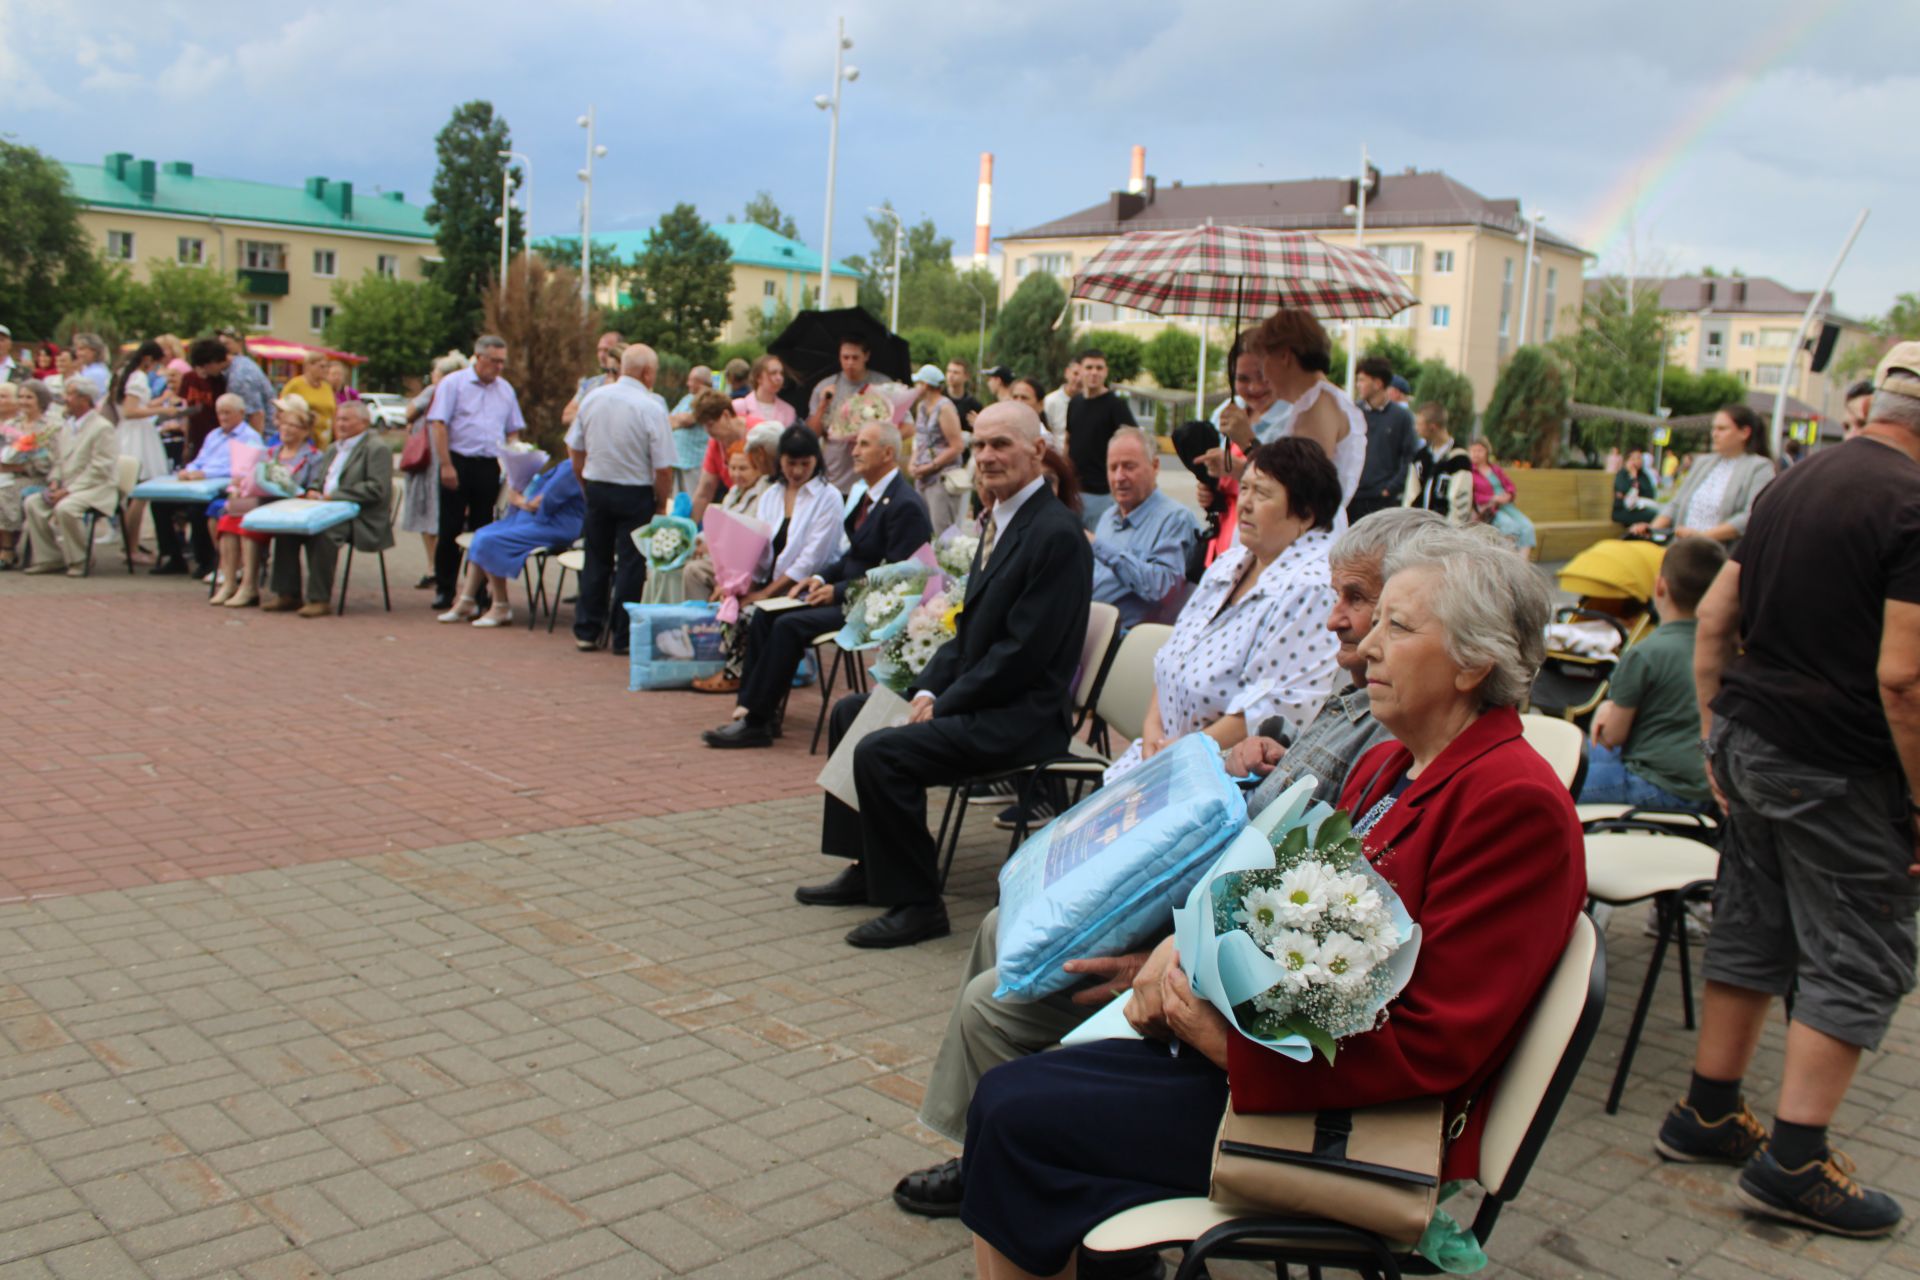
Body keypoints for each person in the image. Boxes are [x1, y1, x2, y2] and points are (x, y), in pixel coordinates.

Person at [960, 524, 1582, 1280]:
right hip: (1271, 1068)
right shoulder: (1392, 763)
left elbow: (1437, 1044)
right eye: (1374, 618)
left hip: (1348, 1114)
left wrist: (1222, 1041)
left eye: (1398, 625)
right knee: (1007, 1099)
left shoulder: (1512, 803)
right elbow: (1273, 913)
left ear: (1474, 663)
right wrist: (1190, 968)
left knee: (1022, 1122)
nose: (1367, 644)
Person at [891, 508, 1435, 1226]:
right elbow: (1294, 796)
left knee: (995, 1003)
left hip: (1227, 965)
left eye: (1361, 603)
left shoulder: (1401, 729)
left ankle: (1012, 1162)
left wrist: (1164, 959)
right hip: (1212, 902)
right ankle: (988, 1156)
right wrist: (1252, 754)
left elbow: (1331, 919)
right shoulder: (1364, 693)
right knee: (1001, 926)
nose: (1335, 620)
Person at [1654, 344, 1920, 1239]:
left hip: (1751, 738)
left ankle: (1709, 1110)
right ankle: (1797, 1160)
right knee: (1860, 945)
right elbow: (1903, 680)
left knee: (1753, 923)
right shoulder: (1914, 506)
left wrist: (1713, 728)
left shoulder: (1795, 483)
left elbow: (1716, 619)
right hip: (1840, 763)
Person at [800, 403, 1092, 951]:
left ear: (1037, 450)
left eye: (1001, 444)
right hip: (989, 698)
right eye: (979, 445)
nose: (986, 456)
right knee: (848, 713)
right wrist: (931, 686)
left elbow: (1022, 653)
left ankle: (918, 904)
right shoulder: (1003, 520)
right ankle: (869, 866)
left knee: (883, 754)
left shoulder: (1055, 534)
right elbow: (969, 631)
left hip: (1022, 717)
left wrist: (949, 701)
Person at [1103, 437, 1342, 782]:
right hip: (1161, 757)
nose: (1244, 504)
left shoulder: (1311, 588)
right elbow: (1174, 653)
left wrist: (1174, 754)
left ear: (1306, 513)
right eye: (1244, 489)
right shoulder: (1230, 563)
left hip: (1220, 778)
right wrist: (1152, 731)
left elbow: (1272, 708)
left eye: (1262, 494)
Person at [703, 421, 933, 748]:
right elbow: (855, 556)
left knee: (788, 625)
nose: (853, 451)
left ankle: (757, 719)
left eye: (864, 444)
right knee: (765, 616)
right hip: (851, 594)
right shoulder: (871, 496)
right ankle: (752, 712)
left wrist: (837, 591)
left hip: (874, 606)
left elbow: (898, 575)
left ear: (888, 452)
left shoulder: (904, 503)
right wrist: (822, 578)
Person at [1579, 537, 1726, 812]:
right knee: (1587, 753)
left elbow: (1613, 737)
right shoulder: (1727, 649)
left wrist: (1606, 712)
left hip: (1656, 785)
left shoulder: (1645, 653)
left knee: (1559, 779)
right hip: (1709, 785)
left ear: (1660, 586)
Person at [566, 344, 676, 654]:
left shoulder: (594, 398)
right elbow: (663, 466)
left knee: (596, 559)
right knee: (631, 564)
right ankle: (623, 636)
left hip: (598, 486)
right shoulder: (651, 406)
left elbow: (574, 447)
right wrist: (659, 502)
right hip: (634, 491)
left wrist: (583, 480)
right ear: (648, 373)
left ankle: (587, 629)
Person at [261, 400, 394, 618]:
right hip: (323, 507)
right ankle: (287, 594)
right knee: (287, 529)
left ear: (363, 422)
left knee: (324, 532)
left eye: (346, 419)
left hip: (360, 515)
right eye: (338, 419)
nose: (340, 424)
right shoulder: (333, 448)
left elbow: (376, 489)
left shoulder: (376, 448)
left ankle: (319, 599)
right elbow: (319, 480)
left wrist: (334, 496)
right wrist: (314, 491)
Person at [1237, 310, 1367, 529]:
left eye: (1264, 361)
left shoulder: (1318, 407)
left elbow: (1300, 486)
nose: (1264, 375)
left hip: (1305, 534)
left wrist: (1248, 443)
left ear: (1285, 356)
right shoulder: (1316, 402)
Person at [427, 335, 526, 611]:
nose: (498, 367)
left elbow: (513, 429)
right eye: (494, 361)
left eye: (502, 362)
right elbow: (439, 425)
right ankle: (445, 588)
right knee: (450, 526)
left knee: (483, 527)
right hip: (458, 459)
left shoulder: (504, 389)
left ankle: (478, 590)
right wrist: (446, 464)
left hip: (488, 463)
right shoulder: (454, 384)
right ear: (479, 357)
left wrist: (516, 459)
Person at [439, 454, 586, 628]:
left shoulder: (572, 467)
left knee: (491, 540)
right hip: (537, 520)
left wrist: (517, 499)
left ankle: (501, 605)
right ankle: (467, 599)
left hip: (555, 525)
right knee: (481, 535)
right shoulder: (568, 463)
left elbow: (542, 502)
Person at [210, 398, 323, 608]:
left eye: (293, 425)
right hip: (263, 502)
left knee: (250, 524)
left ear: (305, 431)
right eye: (284, 424)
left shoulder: (314, 457)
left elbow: (313, 487)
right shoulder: (270, 453)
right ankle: (229, 582)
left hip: (289, 508)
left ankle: (249, 586)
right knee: (228, 520)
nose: (286, 429)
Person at [1089, 427, 1195, 629]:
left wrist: (1100, 547)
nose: (1119, 477)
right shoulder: (1107, 517)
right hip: (1092, 632)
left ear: (1155, 466)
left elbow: (1164, 589)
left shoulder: (1175, 519)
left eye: (1129, 466)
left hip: (1131, 643)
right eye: (1113, 468)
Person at [1630, 403, 1775, 548]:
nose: (1714, 434)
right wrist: (1652, 529)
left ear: (1744, 432)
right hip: (1680, 551)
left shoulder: (1760, 467)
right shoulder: (1703, 462)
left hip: (1719, 555)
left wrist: (1702, 537)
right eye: (1713, 428)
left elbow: (1750, 516)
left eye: (1722, 429)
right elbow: (1676, 503)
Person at [151, 393, 264, 577]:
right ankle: (174, 557)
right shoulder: (214, 435)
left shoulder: (250, 438)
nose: (223, 417)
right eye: (220, 413)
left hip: (224, 488)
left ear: (241, 413)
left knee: (198, 510)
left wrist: (204, 474)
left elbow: (240, 470)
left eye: (228, 412)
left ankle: (206, 561)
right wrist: (188, 470)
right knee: (159, 504)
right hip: (197, 485)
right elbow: (200, 459)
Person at [21, 378, 118, 576]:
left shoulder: (102, 427)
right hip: (68, 486)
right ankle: (50, 558)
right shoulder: (67, 426)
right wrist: (55, 482)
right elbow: (59, 460)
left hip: (96, 488)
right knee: (33, 503)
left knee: (66, 508)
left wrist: (68, 490)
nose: (66, 399)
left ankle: (81, 559)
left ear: (85, 399)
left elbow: (100, 469)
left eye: (71, 394)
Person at [682, 425, 781, 602]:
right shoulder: (734, 492)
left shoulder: (766, 493)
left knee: (694, 571)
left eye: (743, 468)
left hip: (743, 563)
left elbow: (748, 535)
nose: (736, 474)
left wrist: (712, 546)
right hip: (722, 558)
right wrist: (700, 540)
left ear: (757, 467)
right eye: (732, 468)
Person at [748, 425, 844, 604]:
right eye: (791, 463)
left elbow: (812, 559)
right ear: (780, 460)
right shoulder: (771, 495)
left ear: (817, 460)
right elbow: (758, 550)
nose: (798, 471)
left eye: (805, 463)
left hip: (805, 590)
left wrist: (765, 594)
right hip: (767, 583)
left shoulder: (829, 497)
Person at [400, 354, 464, 587]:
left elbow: (408, 412)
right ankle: (444, 568)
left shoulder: (434, 391)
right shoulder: (462, 392)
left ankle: (434, 567)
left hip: (429, 461)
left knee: (430, 515)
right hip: (449, 456)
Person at [109, 341, 173, 562]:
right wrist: (163, 409)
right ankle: (131, 546)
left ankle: (131, 544)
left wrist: (158, 401)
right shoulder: (138, 377)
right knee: (139, 493)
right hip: (137, 435)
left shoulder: (124, 373)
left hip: (129, 433)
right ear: (148, 359)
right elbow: (131, 410)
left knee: (136, 493)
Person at [806, 337, 896, 492]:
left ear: (866, 356)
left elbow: (907, 427)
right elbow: (812, 435)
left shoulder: (883, 386)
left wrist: (874, 436)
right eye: (845, 357)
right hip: (835, 476)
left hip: (872, 478)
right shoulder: (825, 387)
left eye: (855, 358)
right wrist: (822, 406)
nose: (849, 363)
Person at [1063, 348, 1137, 531]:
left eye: (1099, 368)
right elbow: (1068, 439)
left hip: (1103, 493)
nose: (1094, 372)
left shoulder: (1116, 405)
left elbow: (1133, 442)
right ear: (1079, 370)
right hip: (1075, 491)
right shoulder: (1075, 403)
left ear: (1106, 371)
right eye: (1089, 367)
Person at [1348, 356, 1418, 525]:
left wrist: (1391, 488)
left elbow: (1409, 457)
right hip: (1352, 498)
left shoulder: (1402, 417)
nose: (1358, 384)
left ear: (1378, 383)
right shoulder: (1352, 412)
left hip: (1382, 501)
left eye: (1362, 380)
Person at [0, 381, 55, 568]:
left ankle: (7, 549)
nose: (24, 401)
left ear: (41, 401)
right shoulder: (11, 424)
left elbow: (52, 460)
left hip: (37, 477)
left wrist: (24, 464)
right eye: (21, 397)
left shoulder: (49, 426)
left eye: (29, 397)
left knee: (6, 491)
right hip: (9, 473)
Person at [907, 364, 966, 534]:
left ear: (926, 385)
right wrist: (913, 463)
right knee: (921, 527)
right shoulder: (921, 406)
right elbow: (921, 440)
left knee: (941, 530)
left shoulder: (945, 408)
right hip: (922, 477)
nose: (915, 387)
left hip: (941, 477)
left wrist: (930, 466)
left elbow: (957, 446)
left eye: (918, 383)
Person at [690, 391, 750, 526]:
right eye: (704, 426)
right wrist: (688, 528)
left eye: (710, 424)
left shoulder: (757, 433)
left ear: (726, 415)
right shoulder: (715, 443)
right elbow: (705, 490)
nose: (707, 431)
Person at [1405, 402, 1473, 522]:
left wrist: (1450, 533)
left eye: (1419, 424)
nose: (1416, 428)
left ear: (1432, 427)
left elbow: (1459, 503)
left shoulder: (1459, 459)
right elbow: (1411, 495)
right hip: (1419, 529)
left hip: (1444, 532)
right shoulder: (1420, 458)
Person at [1467, 439, 1536, 552]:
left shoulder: (1495, 469)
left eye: (1480, 450)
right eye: (1473, 451)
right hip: (1489, 509)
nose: (1476, 453)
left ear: (1486, 453)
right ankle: (1509, 562)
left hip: (1506, 506)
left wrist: (1509, 495)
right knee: (1510, 526)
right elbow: (1472, 495)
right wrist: (1492, 498)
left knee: (1527, 527)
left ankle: (1523, 565)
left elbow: (1510, 485)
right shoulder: (1469, 472)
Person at [561, 331, 625, 428]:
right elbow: (567, 416)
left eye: (606, 350)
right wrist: (592, 416)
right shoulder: (590, 384)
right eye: (599, 350)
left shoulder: (628, 384)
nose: (601, 355)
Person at [179, 338, 229, 459]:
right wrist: (186, 443)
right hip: (195, 439)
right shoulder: (188, 378)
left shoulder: (221, 382)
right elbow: (185, 411)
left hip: (215, 438)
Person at [280, 352, 337, 447]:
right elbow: (282, 411)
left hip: (325, 440)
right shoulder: (295, 385)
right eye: (321, 367)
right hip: (303, 439)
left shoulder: (327, 387)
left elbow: (333, 411)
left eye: (327, 367)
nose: (326, 370)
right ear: (308, 366)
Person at [734, 354, 795, 427]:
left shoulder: (788, 411)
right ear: (758, 377)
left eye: (781, 373)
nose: (779, 378)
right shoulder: (739, 406)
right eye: (773, 373)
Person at [1613, 444, 1659, 526]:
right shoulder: (1622, 475)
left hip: (1641, 508)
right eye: (1634, 458)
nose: (1638, 461)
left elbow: (1650, 494)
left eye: (1640, 458)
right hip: (1622, 511)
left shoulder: (1643, 475)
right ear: (1627, 461)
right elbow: (1623, 491)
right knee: (1653, 516)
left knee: (1659, 514)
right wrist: (1634, 478)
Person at [1042, 357, 1080, 439]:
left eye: (1082, 375)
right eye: (1075, 374)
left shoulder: (1092, 403)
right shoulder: (1050, 401)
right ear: (1067, 373)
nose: (1079, 379)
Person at [69, 333, 112, 403]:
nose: (77, 353)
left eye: (82, 349)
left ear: (94, 351)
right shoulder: (92, 369)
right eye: (77, 350)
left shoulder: (96, 373)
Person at [945, 359, 983, 428]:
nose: (951, 375)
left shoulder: (973, 405)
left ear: (966, 377)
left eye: (956, 372)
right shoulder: (939, 397)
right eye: (949, 371)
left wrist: (978, 424)